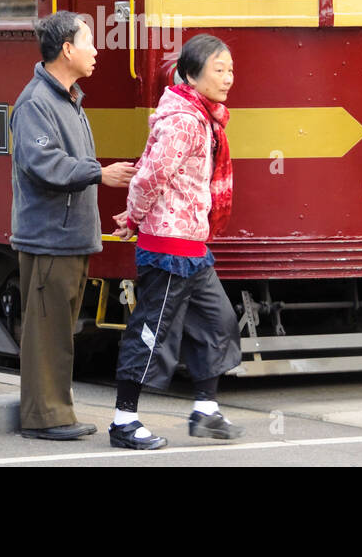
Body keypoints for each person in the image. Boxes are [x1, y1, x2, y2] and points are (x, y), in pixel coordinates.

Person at [108, 34, 244, 450]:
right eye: (218, 70)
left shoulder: (203, 116)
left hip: (192, 247)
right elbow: (150, 176)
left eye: (230, 70)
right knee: (152, 332)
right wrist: (134, 216)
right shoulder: (184, 120)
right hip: (168, 248)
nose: (228, 78)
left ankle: (205, 411)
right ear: (190, 74)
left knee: (217, 323)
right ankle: (123, 421)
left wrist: (134, 214)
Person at [9, 11, 135, 440]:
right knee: (47, 331)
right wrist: (100, 173)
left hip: (68, 237)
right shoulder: (36, 103)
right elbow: (44, 164)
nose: (96, 50)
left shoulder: (67, 98)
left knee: (59, 329)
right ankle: (45, 418)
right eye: (88, 42)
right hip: (48, 239)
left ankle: (57, 413)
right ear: (67, 49)